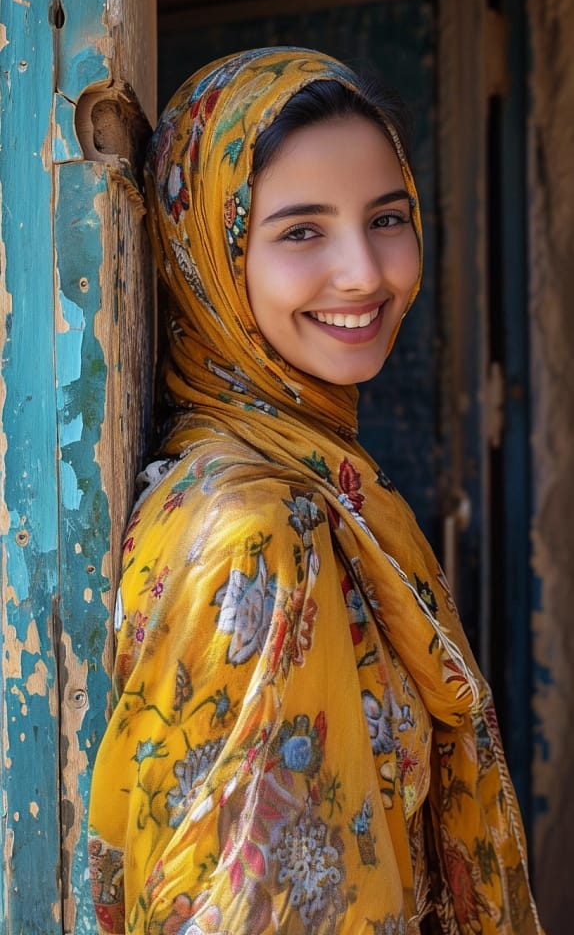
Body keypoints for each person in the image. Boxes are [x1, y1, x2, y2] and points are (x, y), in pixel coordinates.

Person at [88, 47, 544, 935]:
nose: (366, 274)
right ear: (206, 256)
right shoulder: (255, 527)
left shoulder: (318, 482)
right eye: (301, 230)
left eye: (387, 218)